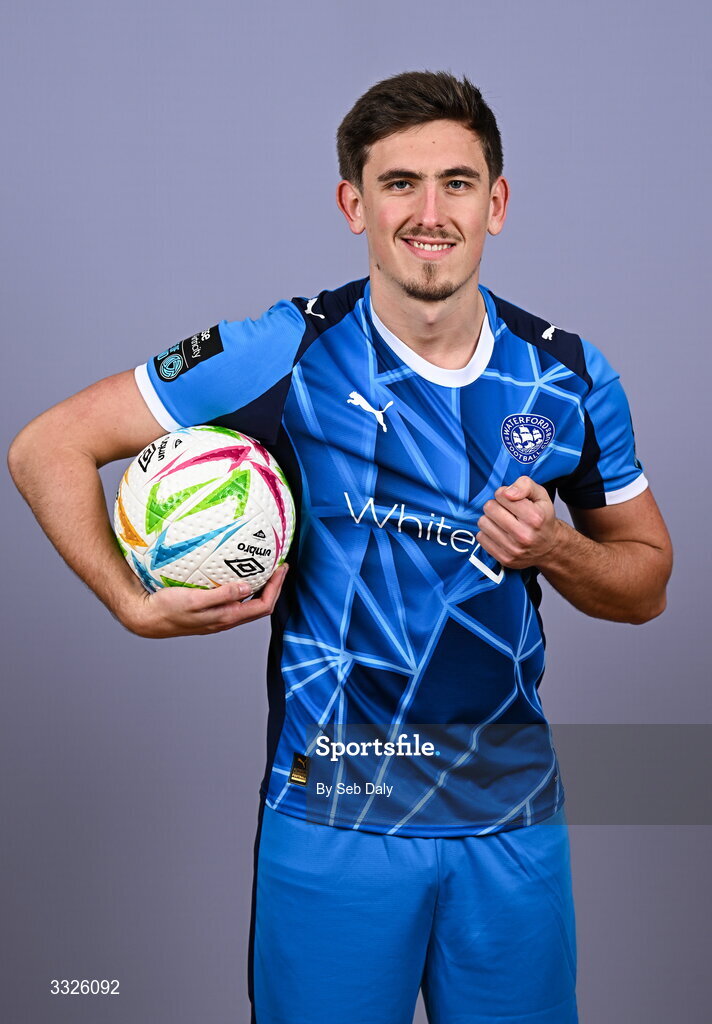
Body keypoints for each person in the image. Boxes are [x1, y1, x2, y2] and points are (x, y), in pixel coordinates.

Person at [8, 71, 672, 1023]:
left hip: (512, 819)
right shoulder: (281, 351)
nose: (430, 213)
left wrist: (559, 550)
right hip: (333, 818)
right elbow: (47, 447)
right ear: (353, 204)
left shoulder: (567, 375)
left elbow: (646, 583)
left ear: (497, 203)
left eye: (456, 182)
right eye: (400, 183)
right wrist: (130, 601)